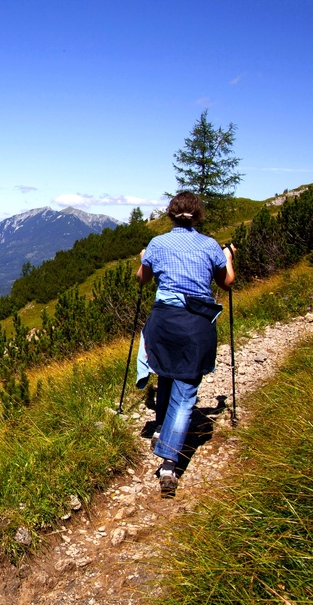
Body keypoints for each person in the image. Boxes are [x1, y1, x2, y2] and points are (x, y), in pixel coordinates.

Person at [136, 192, 236, 497]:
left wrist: (144, 259)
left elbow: (142, 279)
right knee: (186, 392)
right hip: (195, 325)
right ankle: (168, 463)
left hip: (164, 322)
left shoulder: (158, 244)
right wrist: (229, 257)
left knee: (166, 372)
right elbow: (227, 283)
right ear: (199, 216)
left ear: (170, 215)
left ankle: (164, 434)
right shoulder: (209, 246)